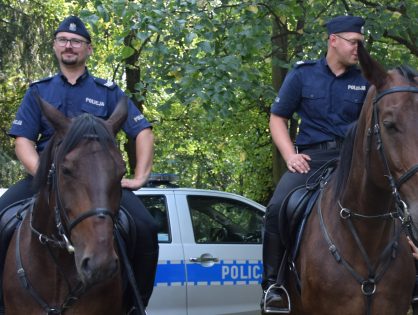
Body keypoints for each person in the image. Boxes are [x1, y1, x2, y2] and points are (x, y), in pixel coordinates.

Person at [0, 16, 158, 314]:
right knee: (0, 219)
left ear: (89, 49)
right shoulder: (38, 91)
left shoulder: (108, 91)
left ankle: (135, 305)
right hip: (44, 178)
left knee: (146, 227)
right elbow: (22, 141)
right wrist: (45, 175)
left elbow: (143, 132)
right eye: (62, 40)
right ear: (55, 46)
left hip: (98, 184)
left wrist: (140, 177)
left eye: (76, 41)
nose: (68, 45)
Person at [261, 15, 369, 313]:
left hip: (353, 161)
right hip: (311, 159)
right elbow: (278, 117)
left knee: (398, 204)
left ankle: (411, 283)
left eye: (361, 42)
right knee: (276, 207)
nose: (358, 48)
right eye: (353, 42)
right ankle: (274, 286)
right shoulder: (302, 75)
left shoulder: (365, 80)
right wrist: (289, 156)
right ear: (333, 40)